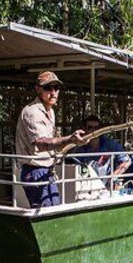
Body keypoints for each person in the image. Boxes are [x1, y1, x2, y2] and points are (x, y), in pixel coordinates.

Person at [15, 70, 85, 208]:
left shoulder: (50, 110)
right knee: (45, 213)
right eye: (48, 88)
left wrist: (76, 140)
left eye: (56, 88)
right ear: (38, 89)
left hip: (47, 170)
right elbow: (41, 143)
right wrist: (70, 139)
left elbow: (54, 139)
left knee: (54, 208)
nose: (53, 92)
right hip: (34, 170)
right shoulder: (33, 112)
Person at [71, 115, 133, 190]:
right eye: (90, 128)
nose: (94, 130)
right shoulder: (79, 149)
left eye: (97, 128)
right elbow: (78, 170)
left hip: (107, 187)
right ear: (85, 129)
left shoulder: (110, 145)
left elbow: (127, 161)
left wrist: (113, 176)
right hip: (87, 186)